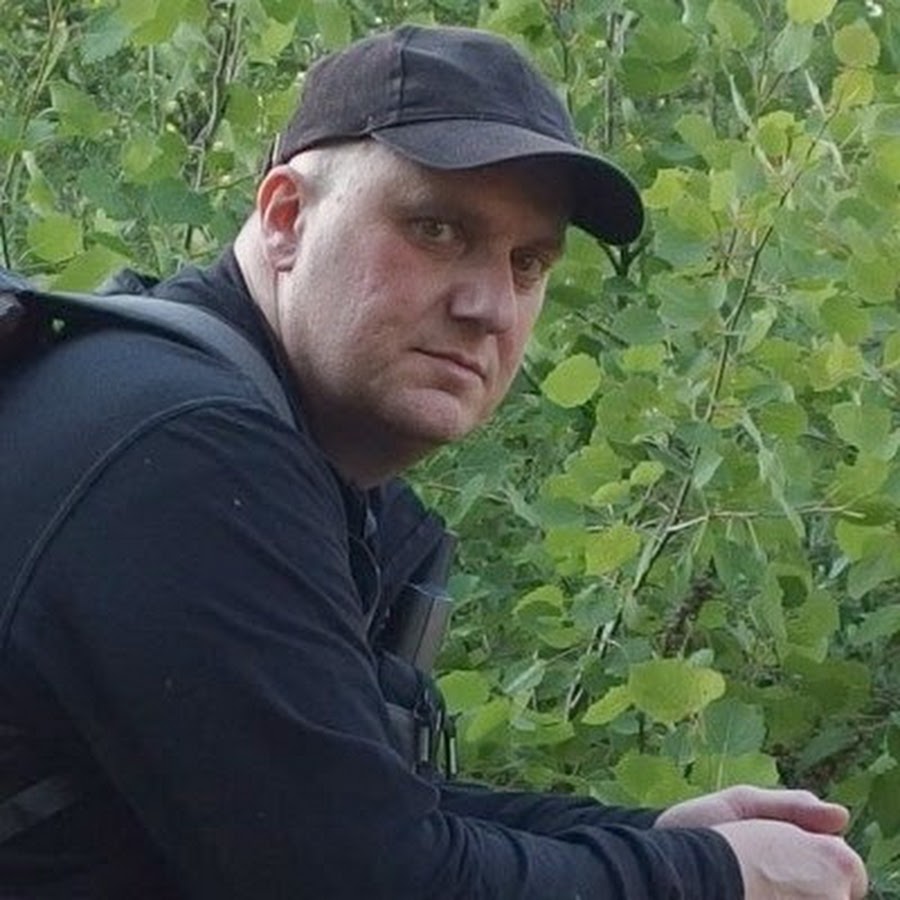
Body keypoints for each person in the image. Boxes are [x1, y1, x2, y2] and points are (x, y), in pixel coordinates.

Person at [0, 24, 868, 900]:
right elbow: (371, 880)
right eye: (437, 229)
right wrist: (713, 877)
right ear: (286, 218)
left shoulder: (198, 417)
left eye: (528, 262)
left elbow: (350, 811)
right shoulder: (187, 456)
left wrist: (653, 838)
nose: (490, 306)